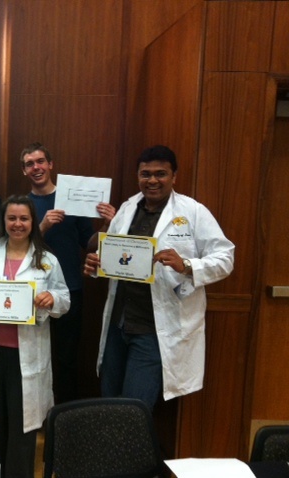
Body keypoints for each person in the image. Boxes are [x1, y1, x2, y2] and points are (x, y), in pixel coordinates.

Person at [83, 145, 235, 411]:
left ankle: (132, 454)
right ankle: (111, 454)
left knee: (134, 408)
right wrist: (96, 263)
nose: (152, 180)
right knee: (109, 402)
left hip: (155, 330)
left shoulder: (193, 212)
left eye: (160, 174)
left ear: (174, 176)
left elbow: (225, 259)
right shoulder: (128, 209)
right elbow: (114, 256)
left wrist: (186, 264)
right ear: (137, 176)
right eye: (145, 174)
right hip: (119, 325)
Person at [0, 195, 70, 477]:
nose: (18, 224)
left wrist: (51, 299)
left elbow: (64, 298)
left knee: (24, 426)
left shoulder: (46, 259)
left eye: (24, 218)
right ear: (4, 221)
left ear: (32, 221)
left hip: (28, 356)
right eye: (12, 218)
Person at [20, 142, 115, 403]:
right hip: (31, 291)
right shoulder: (21, 205)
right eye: (30, 164)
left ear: (50, 165)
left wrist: (108, 225)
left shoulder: (70, 199)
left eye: (40, 161)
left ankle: (64, 418)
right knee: (32, 357)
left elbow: (90, 243)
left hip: (70, 288)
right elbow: (16, 248)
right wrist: (43, 226)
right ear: (24, 170)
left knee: (66, 358)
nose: (36, 167)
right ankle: (34, 413)